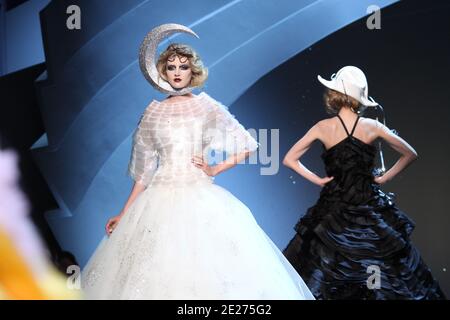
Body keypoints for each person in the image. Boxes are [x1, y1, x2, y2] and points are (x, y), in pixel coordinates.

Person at [80, 25, 314, 300]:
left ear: (193, 71)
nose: (177, 72)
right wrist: (124, 212)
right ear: (162, 72)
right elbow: (143, 173)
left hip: (200, 197)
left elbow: (248, 145)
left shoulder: (207, 106)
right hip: (158, 200)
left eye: (183, 66)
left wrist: (214, 168)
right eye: (171, 67)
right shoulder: (152, 112)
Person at [282, 66, 446, 299]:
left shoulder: (323, 127)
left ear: (334, 94)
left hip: (333, 212)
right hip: (369, 208)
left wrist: (318, 180)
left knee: (324, 271)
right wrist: (384, 177)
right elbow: (410, 153)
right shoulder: (372, 127)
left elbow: (289, 159)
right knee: (382, 272)